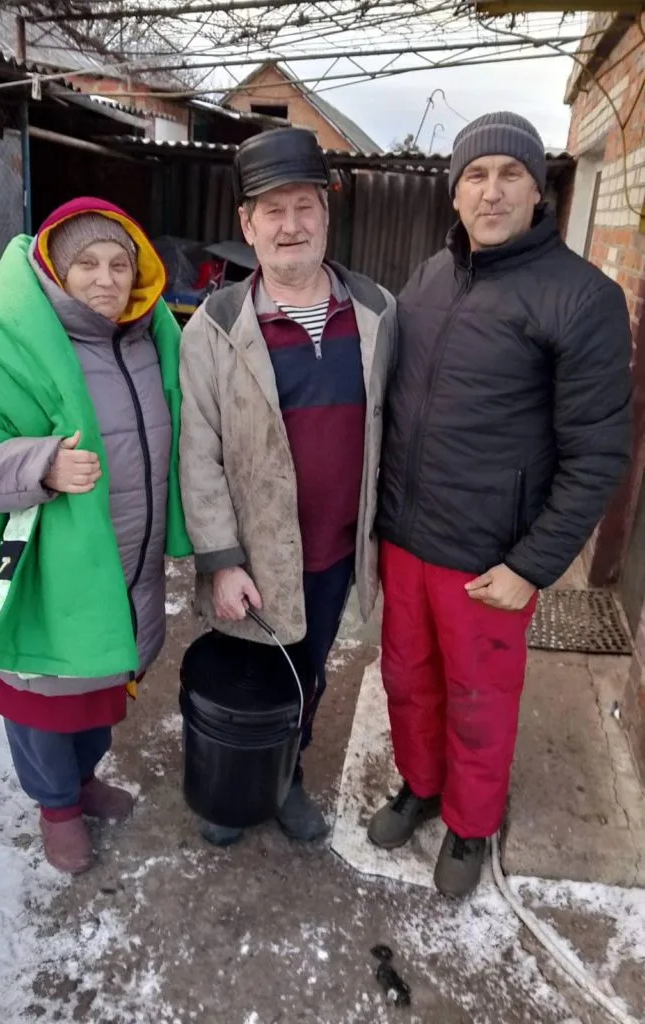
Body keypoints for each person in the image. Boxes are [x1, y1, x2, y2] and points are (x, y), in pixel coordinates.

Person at [370, 112, 632, 897]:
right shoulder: (427, 279)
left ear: (537, 188)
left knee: (479, 701)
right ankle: (420, 787)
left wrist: (531, 565)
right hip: (404, 538)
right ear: (453, 194)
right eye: (474, 175)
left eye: (508, 174)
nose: (490, 191)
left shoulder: (580, 299)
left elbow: (596, 456)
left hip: (489, 560)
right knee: (405, 678)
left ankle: (470, 823)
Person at [0, 197, 191, 875]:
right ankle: (55, 806)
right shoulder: (0, 339)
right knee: (42, 700)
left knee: (102, 688)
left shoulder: (153, 334)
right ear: (55, 273)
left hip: (126, 564)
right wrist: (38, 464)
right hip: (41, 568)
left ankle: (82, 779)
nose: (104, 278)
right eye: (86, 264)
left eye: (119, 263)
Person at [179, 127, 396, 846]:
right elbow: (198, 449)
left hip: (333, 550)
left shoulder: (376, 313)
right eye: (271, 210)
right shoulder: (214, 325)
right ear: (247, 224)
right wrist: (219, 557)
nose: (290, 225)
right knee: (244, 674)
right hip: (251, 553)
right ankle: (230, 788)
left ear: (325, 215)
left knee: (305, 676)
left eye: (302, 206)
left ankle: (284, 779)